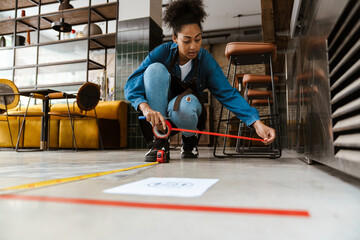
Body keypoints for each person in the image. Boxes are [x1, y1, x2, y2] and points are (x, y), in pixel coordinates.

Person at [125, 0, 275, 162]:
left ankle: (189, 140)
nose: (193, 47)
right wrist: (145, 107)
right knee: (154, 69)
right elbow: (132, 82)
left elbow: (228, 93)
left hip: (188, 111)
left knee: (183, 106)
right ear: (175, 38)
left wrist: (256, 122)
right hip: (161, 114)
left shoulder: (205, 60)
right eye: (187, 40)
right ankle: (160, 142)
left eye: (198, 39)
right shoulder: (162, 53)